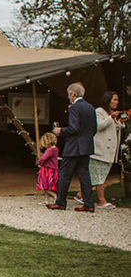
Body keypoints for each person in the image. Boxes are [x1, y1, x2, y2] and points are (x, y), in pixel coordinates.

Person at [47, 82, 97, 212]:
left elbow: (74, 128)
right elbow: (94, 129)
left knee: (64, 174)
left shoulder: (74, 108)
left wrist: (61, 131)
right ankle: (89, 204)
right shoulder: (91, 107)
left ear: (73, 94)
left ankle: (60, 202)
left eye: (69, 95)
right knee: (84, 176)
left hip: (74, 146)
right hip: (86, 146)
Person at [88, 91, 124, 208]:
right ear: (107, 100)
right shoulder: (98, 111)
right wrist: (111, 117)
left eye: (117, 100)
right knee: (99, 177)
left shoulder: (111, 113)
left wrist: (120, 122)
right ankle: (102, 201)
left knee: (98, 176)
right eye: (114, 99)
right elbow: (98, 126)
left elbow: (112, 129)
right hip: (99, 150)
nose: (116, 102)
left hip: (108, 151)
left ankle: (80, 195)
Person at [36, 132, 59, 203]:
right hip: (53, 169)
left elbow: (43, 158)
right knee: (48, 184)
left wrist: (39, 163)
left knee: (44, 185)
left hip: (47, 169)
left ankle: (55, 196)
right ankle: (46, 199)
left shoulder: (49, 150)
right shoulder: (55, 149)